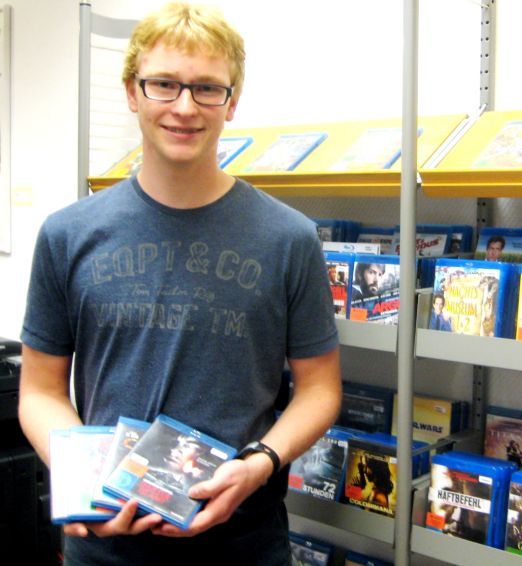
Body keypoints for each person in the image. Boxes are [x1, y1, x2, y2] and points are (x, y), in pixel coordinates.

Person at [18, 3, 342, 564]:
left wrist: (261, 462)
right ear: (131, 92)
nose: (185, 108)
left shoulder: (289, 238)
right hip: (106, 545)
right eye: (164, 84)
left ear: (232, 100)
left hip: (245, 542)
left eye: (207, 89)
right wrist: (83, 478)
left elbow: (319, 389)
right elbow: (41, 391)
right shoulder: (67, 234)